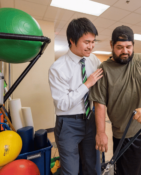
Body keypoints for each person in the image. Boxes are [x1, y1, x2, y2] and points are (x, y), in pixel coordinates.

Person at [90, 25, 141, 175]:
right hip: (124, 134)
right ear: (111, 45)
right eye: (120, 47)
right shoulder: (103, 69)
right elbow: (100, 103)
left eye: (129, 46)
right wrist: (101, 132)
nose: (125, 51)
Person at [48, 17, 103, 175]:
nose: (91, 46)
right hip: (68, 124)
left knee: (93, 166)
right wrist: (87, 84)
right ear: (72, 40)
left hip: (90, 119)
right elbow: (62, 104)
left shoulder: (92, 59)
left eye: (93, 41)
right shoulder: (57, 68)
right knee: (71, 170)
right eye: (87, 42)